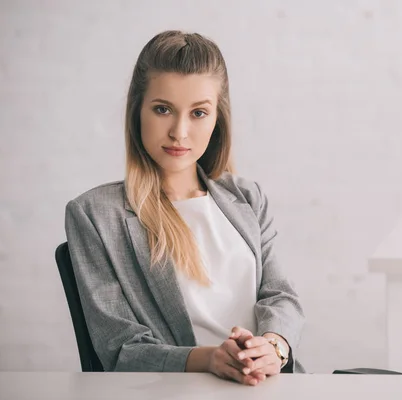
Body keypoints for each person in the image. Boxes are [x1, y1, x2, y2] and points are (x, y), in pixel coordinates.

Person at [64, 30, 305, 386]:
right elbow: (119, 349)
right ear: (137, 111)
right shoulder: (95, 215)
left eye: (198, 113)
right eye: (163, 109)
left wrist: (273, 346)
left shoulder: (247, 197)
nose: (179, 131)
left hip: (269, 387)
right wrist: (210, 359)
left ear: (216, 120)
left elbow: (280, 294)